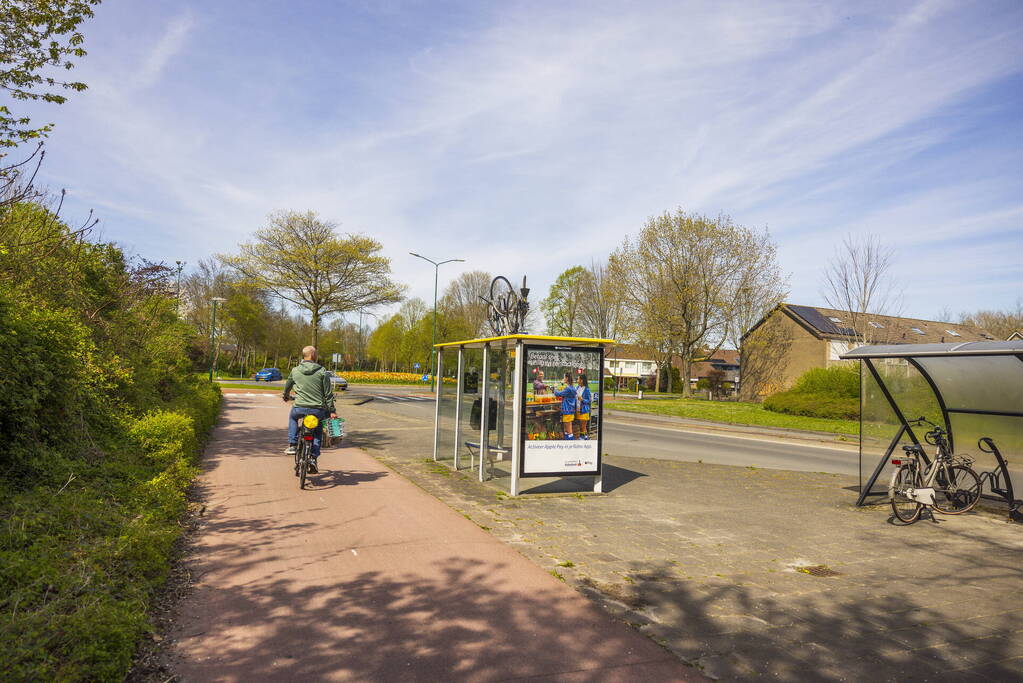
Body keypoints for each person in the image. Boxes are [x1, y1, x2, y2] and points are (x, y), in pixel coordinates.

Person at [283, 345, 336, 473]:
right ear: (313, 356)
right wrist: (332, 411)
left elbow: (288, 386)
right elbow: (328, 394)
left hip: (299, 407)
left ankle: (293, 444)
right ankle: (313, 458)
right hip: (317, 410)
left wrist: (285, 396)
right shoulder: (322, 371)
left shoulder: (295, 370)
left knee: (293, 417)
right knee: (317, 431)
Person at [553, 371, 577, 440]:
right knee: (566, 429)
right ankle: (568, 442)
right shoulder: (572, 387)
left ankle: (570, 444)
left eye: (564, 377)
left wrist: (555, 388)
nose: (563, 378)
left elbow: (558, 394)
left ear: (566, 378)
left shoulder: (568, 388)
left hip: (567, 410)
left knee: (568, 429)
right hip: (570, 410)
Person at [575, 373, 592, 440]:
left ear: (581, 380)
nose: (577, 380)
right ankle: (585, 438)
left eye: (578, 379)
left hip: (584, 410)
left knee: (583, 426)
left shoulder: (587, 389)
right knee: (581, 426)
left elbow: (589, 401)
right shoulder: (577, 387)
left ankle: (584, 438)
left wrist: (582, 399)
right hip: (578, 410)